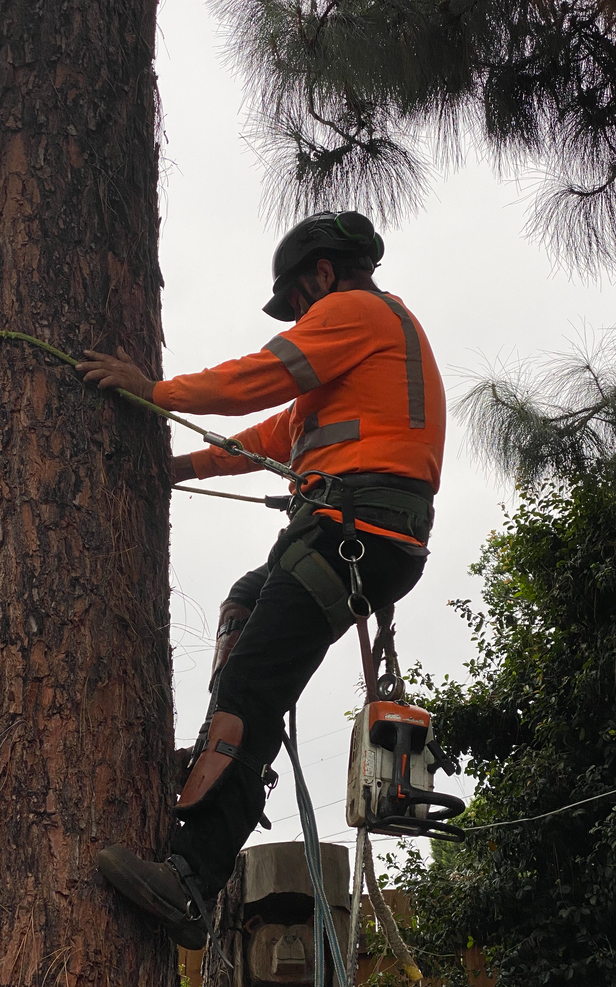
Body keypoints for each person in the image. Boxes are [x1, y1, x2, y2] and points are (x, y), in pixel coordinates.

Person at [75, 211, 445, 949]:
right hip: (356, 534)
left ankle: (192, 880)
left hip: (357, 531)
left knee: (254, 687)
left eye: (300, 302)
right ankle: (220, 746)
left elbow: (259, 376)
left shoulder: (355, 311)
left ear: (323, 273)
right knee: (245, 605)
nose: (303, 319)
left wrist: (153, 391)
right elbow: (271, 436)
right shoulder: (356, 362)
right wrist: (178, 467)